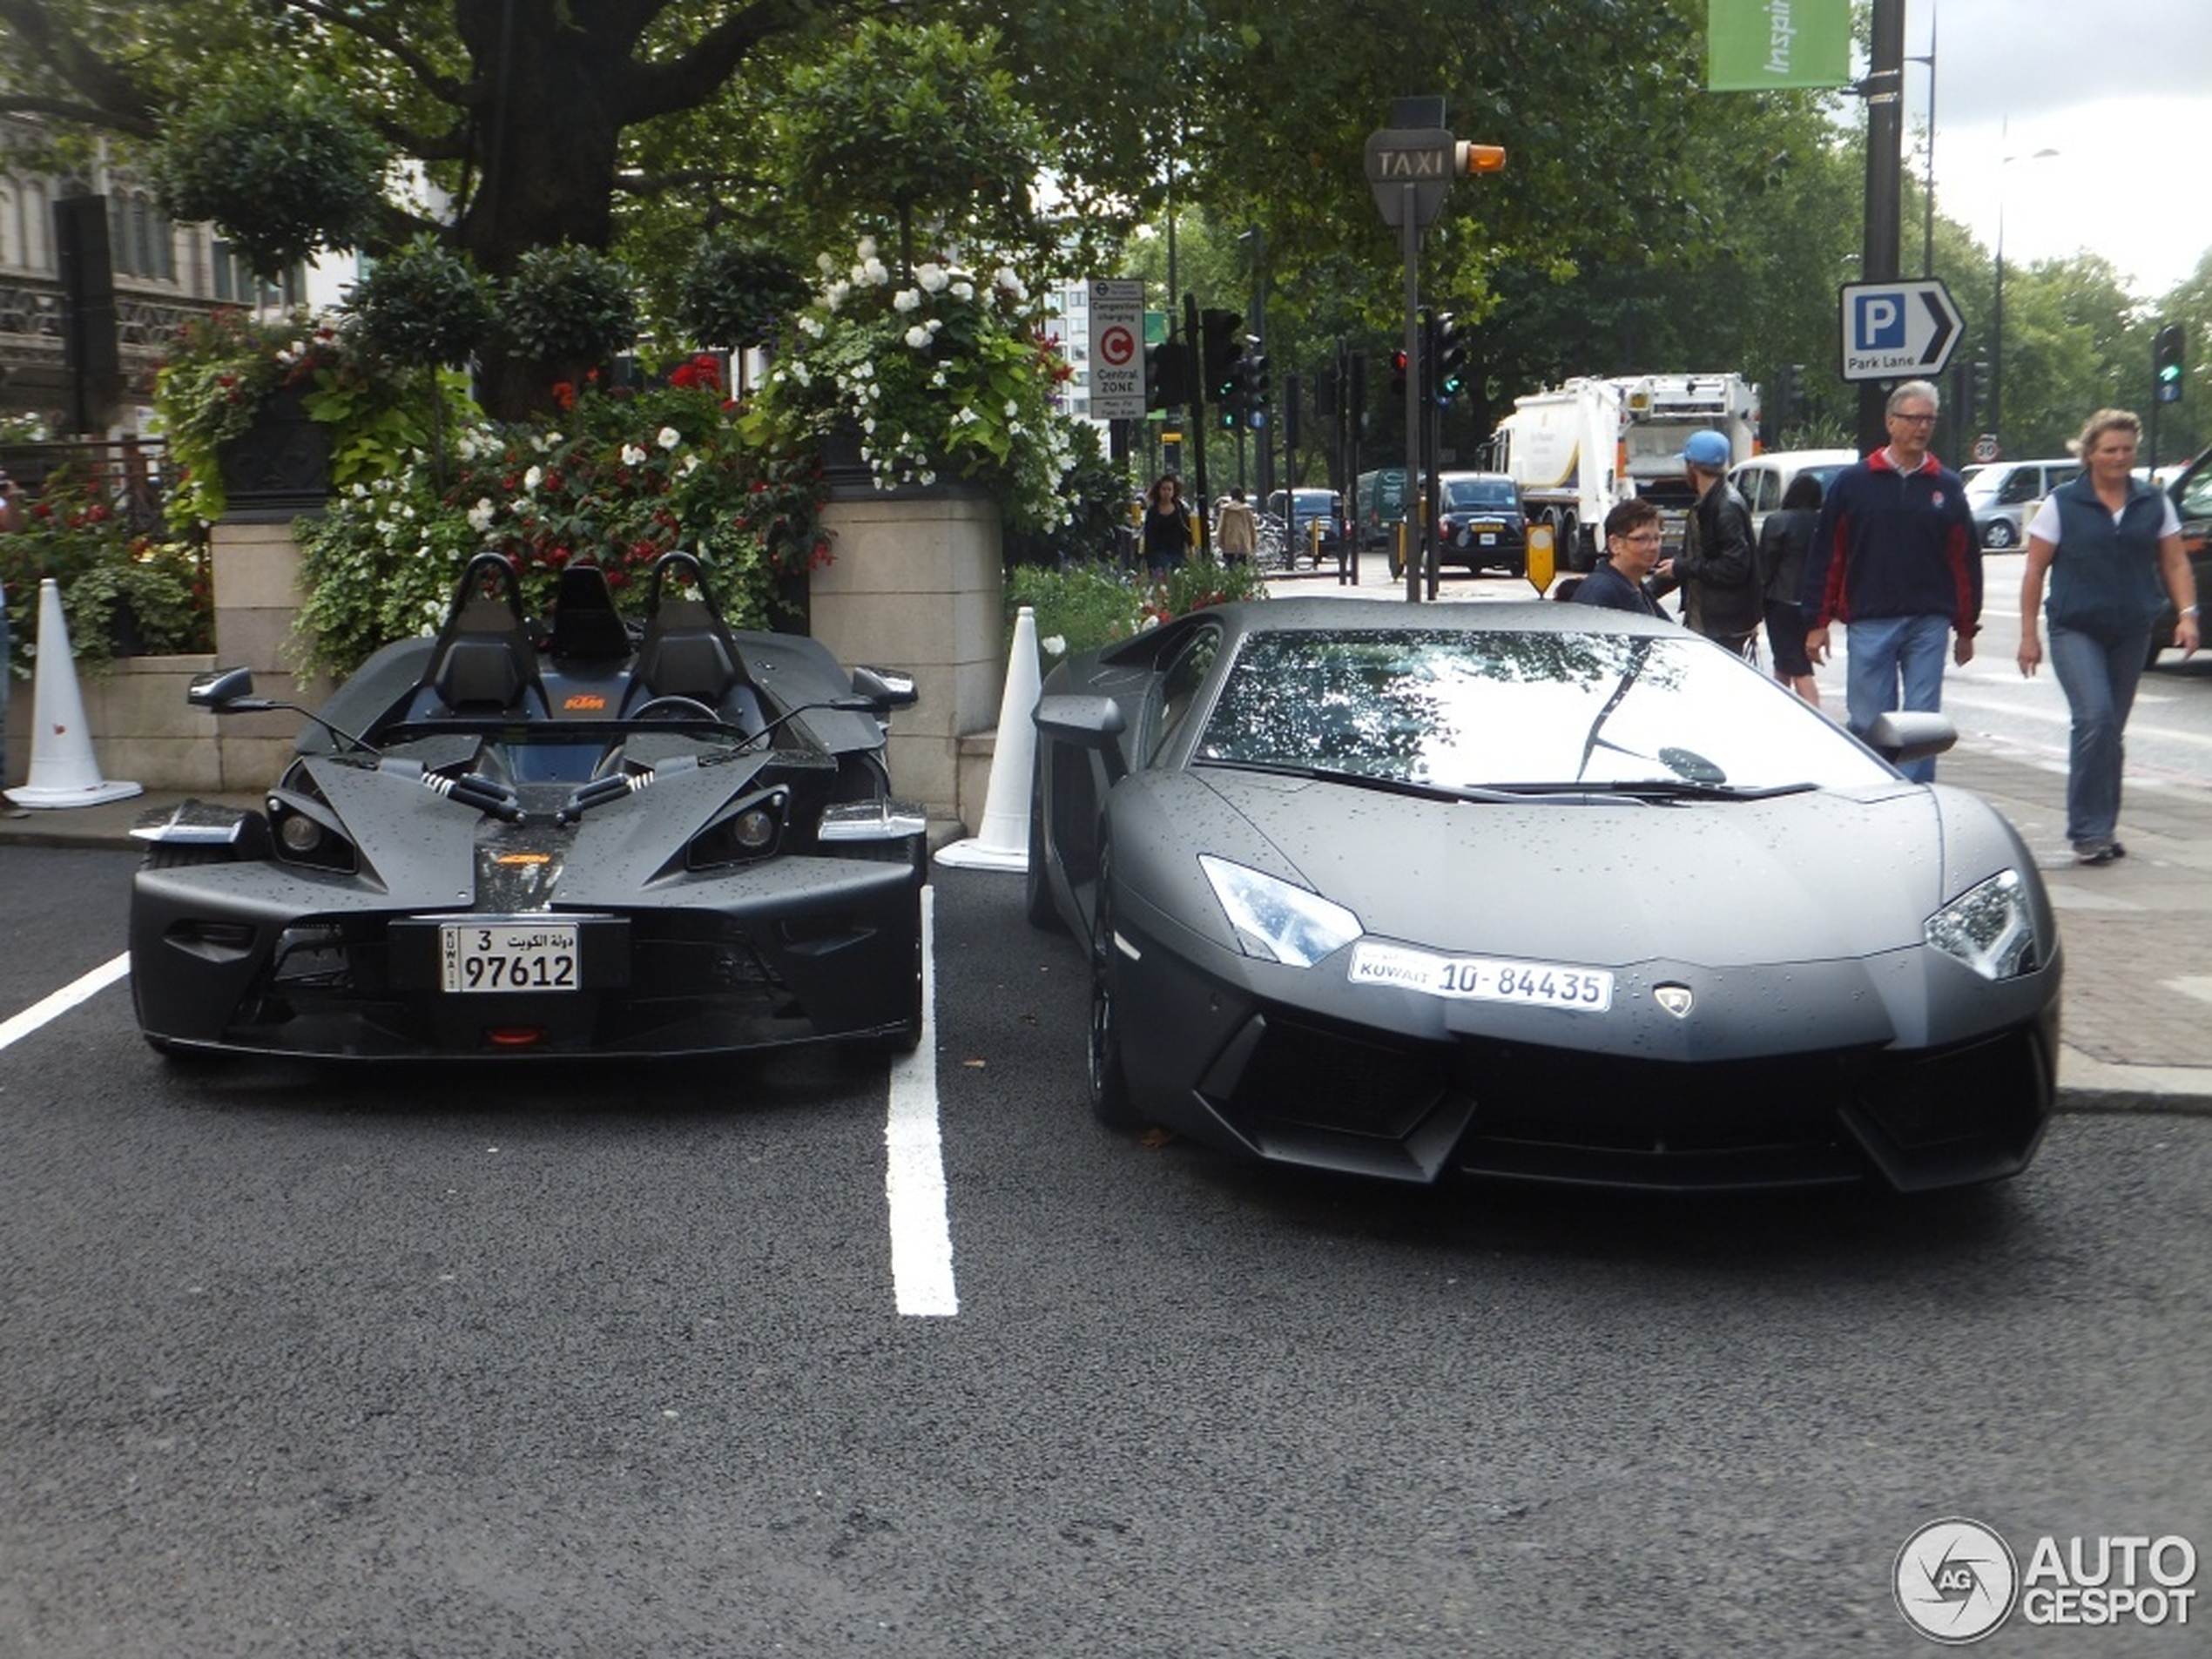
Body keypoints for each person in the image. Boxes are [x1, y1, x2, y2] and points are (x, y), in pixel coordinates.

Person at [2016, 408, 2200, 864]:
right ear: (2090, 453)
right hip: (2075, 627)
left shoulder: (2152, 502)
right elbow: (2035, 569)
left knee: (2110, 731)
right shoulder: (2064, 502)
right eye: (2110, 449)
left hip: (2131, 628)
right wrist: (2028, 635)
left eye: (2127, 449)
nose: (2120, 457)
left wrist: (2187, 615)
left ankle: (2103, 826)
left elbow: (2175, 561)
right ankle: (2087, 830)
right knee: (2095, 718)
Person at [1801, 380, 1979, 783]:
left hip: (1928, 620)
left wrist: (1967, 627)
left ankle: (1916, 796)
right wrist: (1817, 621)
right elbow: (1829, 554)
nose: (1922, 427)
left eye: (1929, 419)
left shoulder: (1946, 487)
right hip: (1871, 616)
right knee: (1869, 719)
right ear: (1890, 422)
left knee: (1921, 722)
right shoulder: (1854, 484)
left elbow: (1964, 560)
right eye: (1913, 418)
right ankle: (1876, 789)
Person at [1669, 430, 1759, 655]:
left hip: (1722, 627)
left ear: (1692, 466)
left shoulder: (1725, 506)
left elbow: (1734, 567)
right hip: (1715, 624)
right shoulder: (1710, 503)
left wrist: (1683, 567)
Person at [1756, 472, 1824, 705]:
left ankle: (1815, 718)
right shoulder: (1823, 523)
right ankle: (1781, 709)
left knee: (1795, 664)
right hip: (1813, 602)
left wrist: (1756, 603)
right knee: (1785, 661)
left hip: (1781, 601)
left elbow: (1766, 565)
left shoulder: (1776, 521)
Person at [1571, 499, 1674, 615]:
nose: (1653, 547)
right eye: (1642, 539)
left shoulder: (1636, 588)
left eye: (1657, 538)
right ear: (1615, 544)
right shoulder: (1599, 592)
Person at [1140, 474, 1194, 577]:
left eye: (1169, 489)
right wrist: (1146, 557)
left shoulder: (1180, 509)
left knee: (1176, 580)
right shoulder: (1153, 511)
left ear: (1174, 491)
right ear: (1159, 491)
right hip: (1158, 552)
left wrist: (1191, 548)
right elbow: (1149, 534)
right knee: (1163, 581)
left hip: (1177, 552)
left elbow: (1186, 529)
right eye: (1164, 489)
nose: (1167, 492)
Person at [1216, 486, 1258, 563]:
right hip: (1243, 541)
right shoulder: (1247, 510)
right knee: (1243, 564)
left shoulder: (1226, 510)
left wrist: (1219, 541)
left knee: (1230, 564)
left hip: (1228, 541)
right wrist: (1254, 542)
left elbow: (1221, 526)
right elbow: (1252, 528)